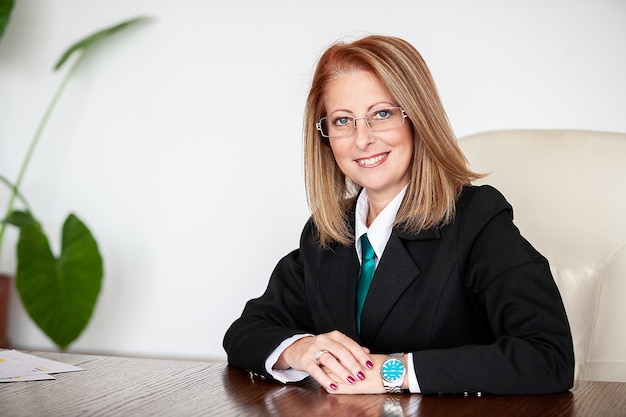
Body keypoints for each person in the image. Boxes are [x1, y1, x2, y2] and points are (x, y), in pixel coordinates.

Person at [223, 35, 574, 395]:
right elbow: (246, 332)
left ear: (417, 119)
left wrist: (394, 371)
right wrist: (301, 350)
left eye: (382, 114)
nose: (362, 139)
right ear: (326, 137)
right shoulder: (326, 234)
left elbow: (549, 356)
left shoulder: (475, 220)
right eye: (343, 121)